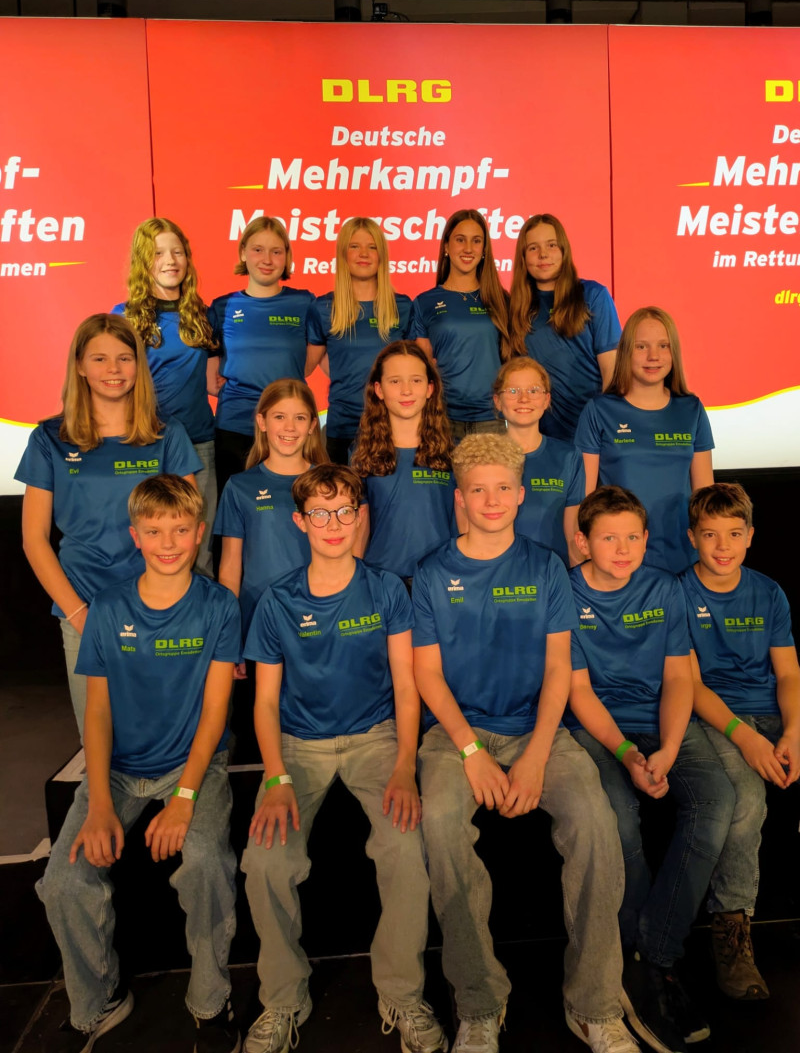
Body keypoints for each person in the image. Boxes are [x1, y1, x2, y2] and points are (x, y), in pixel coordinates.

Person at [412, 434, 637, 1053]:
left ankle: (594, 1004)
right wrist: (471, 753)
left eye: (503, 489)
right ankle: (480, 1003)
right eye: (478, 490)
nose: (491, 500)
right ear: (460, 499)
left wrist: (536, 757)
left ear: (520, 495)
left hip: (539, 729)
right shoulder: (432, 573)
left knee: (595, 822)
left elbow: (559, 669)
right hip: (456, 736)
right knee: (440, 823)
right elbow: (427, 673)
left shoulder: (545, 568)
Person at [240, 465, 446, 1053]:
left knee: (406, 847)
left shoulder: (386, 589)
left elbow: (406, 686)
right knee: (265, 862)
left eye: (345, 512)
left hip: (375, 739)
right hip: (297, 746)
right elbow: (265, 702)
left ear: (359, 517)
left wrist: (404, 764)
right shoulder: (278, 600)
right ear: (300, 521)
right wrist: (275, 776)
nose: (334, 524)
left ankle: (401, 993)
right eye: (320, 513)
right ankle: (283, 999)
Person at [36, 474, 241, 1053]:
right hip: (119, 771)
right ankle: (97, 1000)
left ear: (200, 533)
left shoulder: (219, 606)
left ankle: (211, 1001)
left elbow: (215, 713)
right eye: (154, 531)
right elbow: (97, 713)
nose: (168, 542)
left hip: (193, 765)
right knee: (64, 882)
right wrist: (100, 803)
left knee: (205, 861)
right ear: (135, 536)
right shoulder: (107, 607)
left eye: (180, 530)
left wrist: (184, 799)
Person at [567, 486, 735, 1053]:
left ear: (646, 540)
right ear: (582, 542)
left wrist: (665, 749)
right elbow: (577, 691)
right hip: (595, 730)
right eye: (608, 538)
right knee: (618, 818)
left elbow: (679, 677)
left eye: (632, 538)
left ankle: (655, 953)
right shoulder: (566, 591)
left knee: (718, 800)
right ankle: (629, 958)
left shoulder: (664, 588)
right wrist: (627, 755)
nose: (622, 549)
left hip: (661, 721)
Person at [16, 313, 201, 738]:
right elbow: (33, 539)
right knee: (100, 743)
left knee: (169, 738)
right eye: (99, 359)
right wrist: (79, 615)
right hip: (85, 609)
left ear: (139, 365)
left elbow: (189, 528)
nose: (113, 369)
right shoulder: (49, 439)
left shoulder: (167, 435)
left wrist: (167, 603)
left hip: (163, 610)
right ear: (80, 366)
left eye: (124, 358)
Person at [681, 483, 800, 1001]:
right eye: (710, 535)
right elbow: (689, 685)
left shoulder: (769, 592)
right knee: (746, 799)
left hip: (772, 714)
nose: (723, 546)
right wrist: (746, 739)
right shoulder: (679, 593)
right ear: (692, 538)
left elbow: (788, 674)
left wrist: (793, 731)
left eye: (734, 534)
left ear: (750, 536)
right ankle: (732, 933)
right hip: (717, 717)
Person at [113, 217, 219, 576]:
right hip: (146, 444)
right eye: (158, 253)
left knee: (199, 549)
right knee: (148, 546)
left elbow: (214, 378)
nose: (170, 260)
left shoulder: (202, 316)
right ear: (144, 261)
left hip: (199, 445)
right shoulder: (125, 318)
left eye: (177, 252)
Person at [575, 306, 714, 575]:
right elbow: (583, 499)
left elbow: (705, 498)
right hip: (619, 559)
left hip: (682, 557)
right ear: (626, 351)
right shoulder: (599, 410)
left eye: (663, 345)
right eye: (641, 346)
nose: (653, 356)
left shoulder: (691, 409)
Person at [208, 216, 317, 494]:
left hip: (289, 431)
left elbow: (309, 363)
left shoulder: (305, 303)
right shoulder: (222, 307)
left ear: (286, 257)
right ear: (243, 252)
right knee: (234, 507)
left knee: (293, 507)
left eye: (276, 251)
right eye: (258, 249)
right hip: (235, 426)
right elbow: (210, 376)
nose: (267, 259)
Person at [215, 378, 328, 643]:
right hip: (257, 616)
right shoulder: (240, 486)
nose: (290, 427)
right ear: (262, 422)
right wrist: (228, 632)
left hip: (319, 613)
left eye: (300, 418)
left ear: (313, 425)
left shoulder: (329, 484)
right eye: (279, 417)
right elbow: (230, 566)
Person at [306, 217, 412, 463]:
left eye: (372, 247)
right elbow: (306, 365)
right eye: (355, 246)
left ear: (381, 255)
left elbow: (417, 369)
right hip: (342, 429)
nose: (363, 254)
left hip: (394, 429)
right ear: (343, 253)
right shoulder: (323, 308)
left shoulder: (403, 307)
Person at [508, 213, 620, 442]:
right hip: (537, 438)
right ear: (523, 257)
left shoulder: (593, 295)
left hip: (590, 434)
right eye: (533, 248)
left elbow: (612, 371)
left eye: (551, 245)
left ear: (563, 250)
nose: (543, 254)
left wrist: (606, 427)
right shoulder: (514, 308)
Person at [350, 341, 455, 583]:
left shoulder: (453, 453)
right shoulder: (361, 454)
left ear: (430, 388)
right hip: (382, 579)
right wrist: (356, 582)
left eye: (416, 380)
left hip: (440, 580)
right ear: (379, 389)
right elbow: (360, 524)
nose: (406, 390)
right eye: (395, 381)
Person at [411, 210, 518, 441]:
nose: (468, 248)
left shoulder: (502, 300)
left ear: (484, 249)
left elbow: (514, 362)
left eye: (476, 241)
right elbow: (421, 370)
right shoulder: (424, 302)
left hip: (493, 420)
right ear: (446, 246)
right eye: (460, 240)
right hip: (443, 421)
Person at [491, 356, 584, 565]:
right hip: (499, 574)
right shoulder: (483, 458)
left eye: (533, 391)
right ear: (498, 401)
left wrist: (576, 579)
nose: (524, 399)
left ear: (546, 400)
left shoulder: (569, 457)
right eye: (513, 391)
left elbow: (574, 534)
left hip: (553, 574)